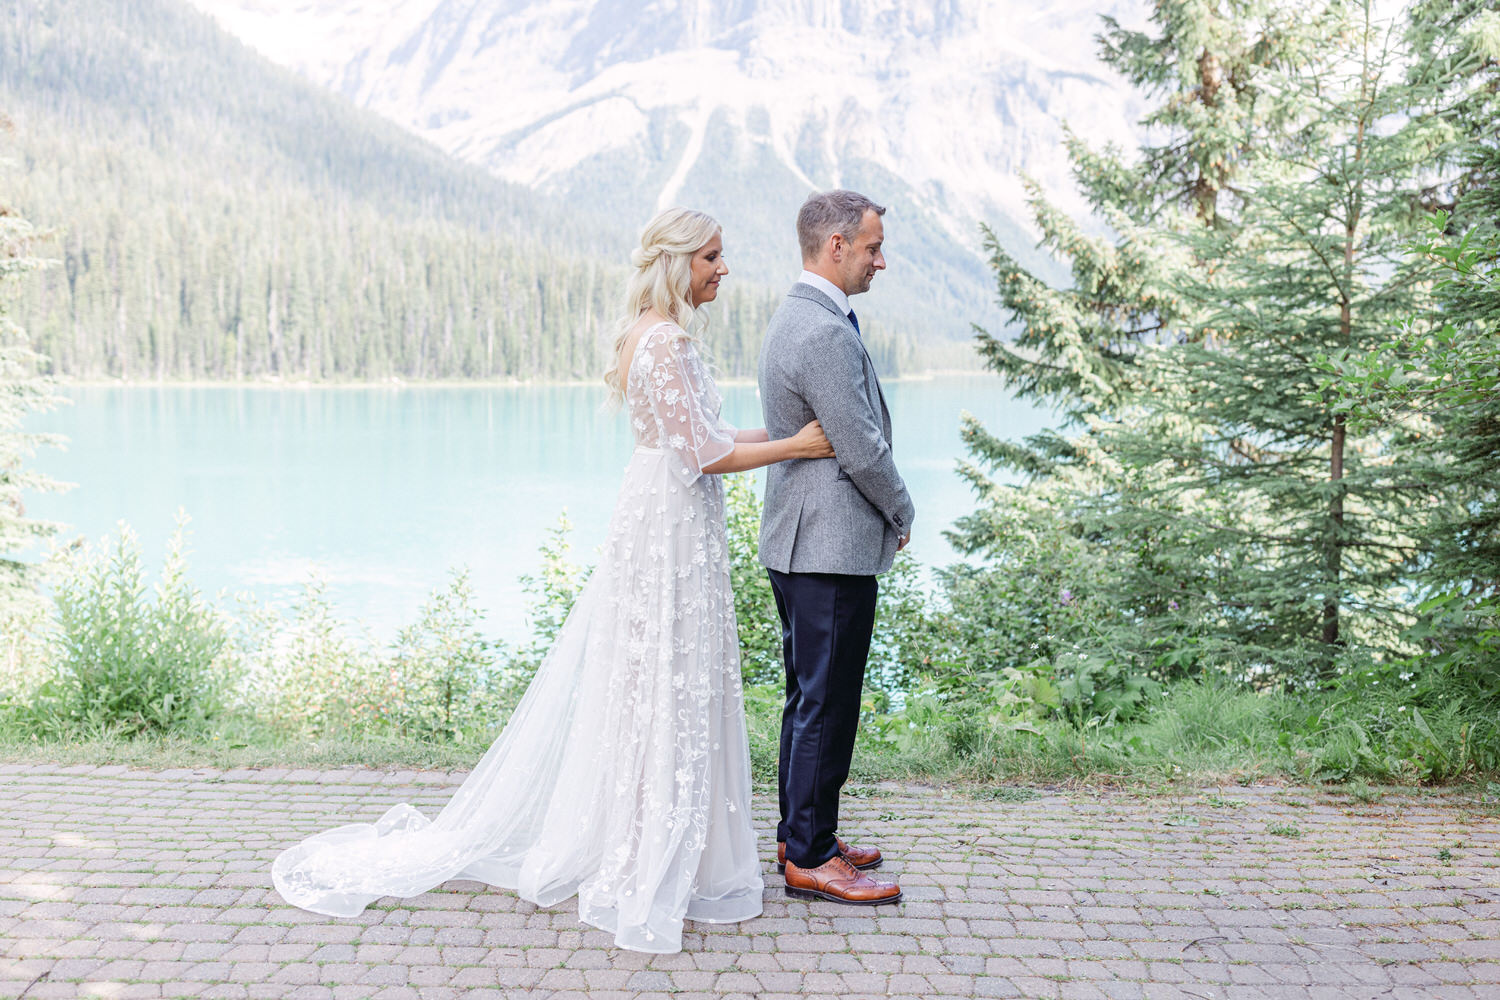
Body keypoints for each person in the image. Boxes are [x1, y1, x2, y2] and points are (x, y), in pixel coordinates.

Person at [272, 208, 835, 954]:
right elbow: (701, 453)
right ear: (676, 264)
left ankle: (660, 840)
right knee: (664, 680)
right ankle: (651, 852)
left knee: (659, 682)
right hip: (669, 525)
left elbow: (706, 436)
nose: (722, 269)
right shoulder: (663, 341)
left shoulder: (650, 332)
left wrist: (787, 434)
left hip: (665, 516)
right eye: (711, 257)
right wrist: (798, 444)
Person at [756, 189, 915, 905]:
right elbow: (860, 446)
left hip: (804, 541)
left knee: (809, 699)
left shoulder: (803, 315)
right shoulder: (822, 331)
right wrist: (903, 508)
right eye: (874, 247)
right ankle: (811, 857)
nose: (882, 260)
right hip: (828, 545)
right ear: (836, 247)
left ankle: (803, 833)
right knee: (828, 703)